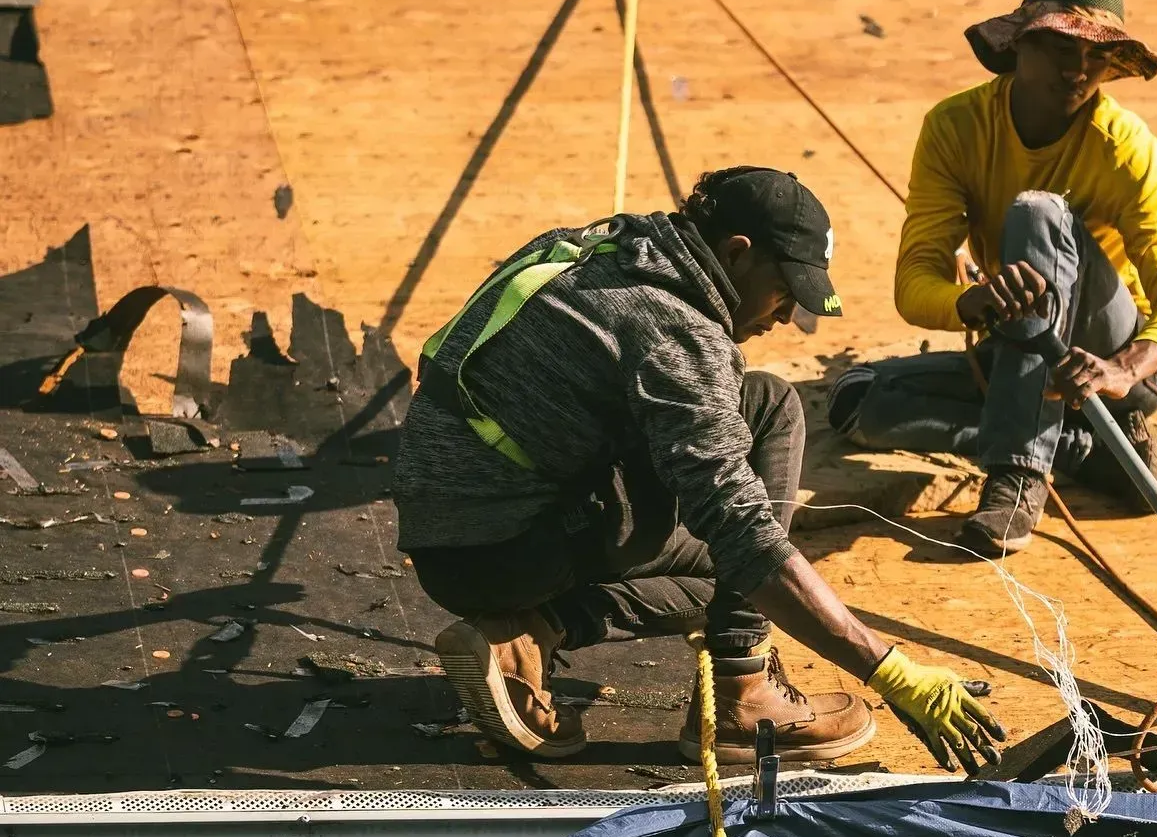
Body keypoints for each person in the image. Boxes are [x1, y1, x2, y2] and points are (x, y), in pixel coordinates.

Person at [394, 166, 1004, 772]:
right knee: (746, 562)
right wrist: (890, 669)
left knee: (759, 404)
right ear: (738, 255)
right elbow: (747, 539)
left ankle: (527, 634)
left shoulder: (598, 247)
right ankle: (743, 697)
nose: (788, 316)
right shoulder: (674, 330)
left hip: (446, 529)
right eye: (787, 291)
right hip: (503, 546)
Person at [830, 0, 1157, 556]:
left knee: (1037, 214)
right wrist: (970, 301)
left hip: (1111, 356)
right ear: (1019, 42)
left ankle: (1019, 477)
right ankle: (1092, 452)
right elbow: (915, 283)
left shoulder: (1125, 144)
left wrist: (1125, 370)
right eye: (1060, 44)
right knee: (857, 399)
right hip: (1023, 355)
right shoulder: (956, 126)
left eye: (1097, 55)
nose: (1077, 69)